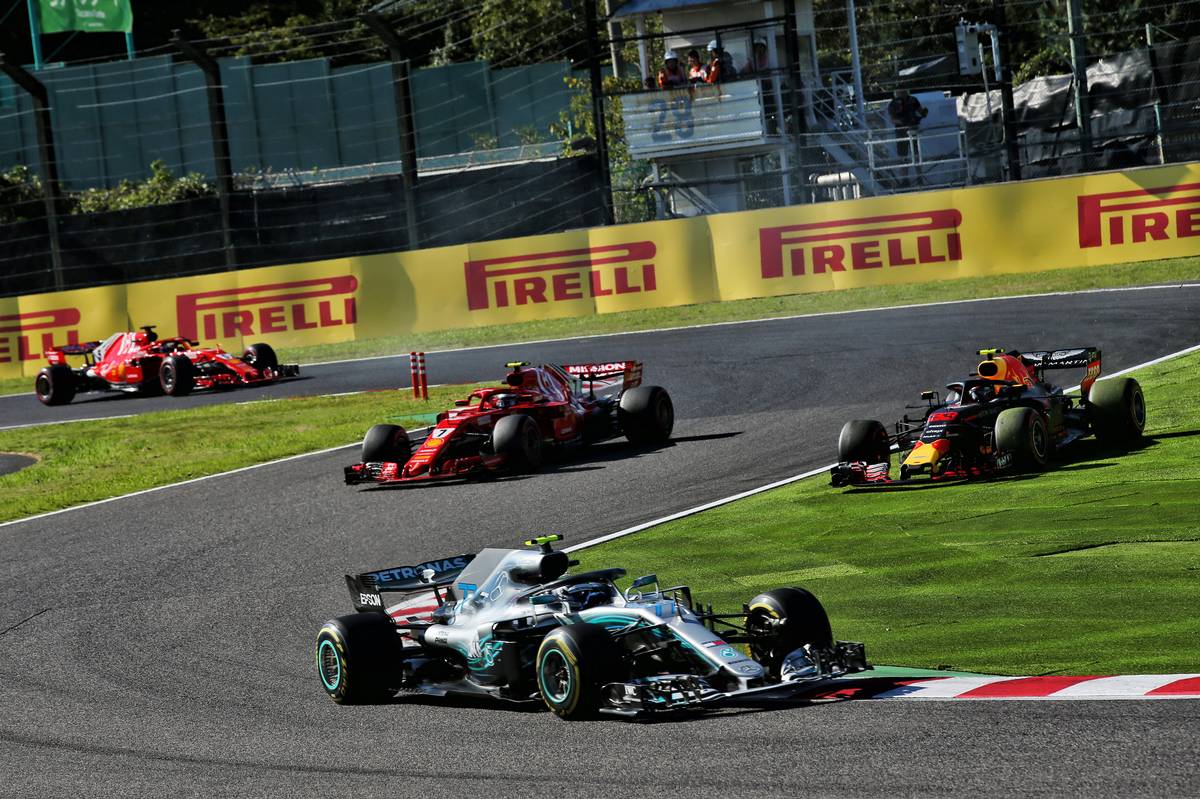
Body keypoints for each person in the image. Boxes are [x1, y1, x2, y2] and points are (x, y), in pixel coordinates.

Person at [887, 88, 928, 185]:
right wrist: (903, 122)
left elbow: (920, 110)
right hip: (901, 132)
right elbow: (893, 119)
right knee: (903, 157)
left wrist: (923, 113)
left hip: (913, 130)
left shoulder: (913, 100)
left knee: (916, 155)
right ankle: (905, 179)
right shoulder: (894, 103)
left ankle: (919, 177)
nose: (901, 92)